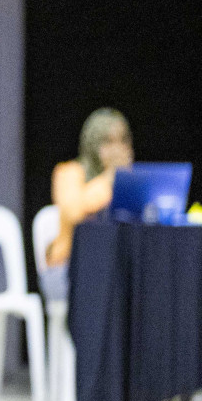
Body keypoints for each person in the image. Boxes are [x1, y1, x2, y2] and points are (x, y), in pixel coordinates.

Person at [40, 108, 133, 301]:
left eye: (123, 141)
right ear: (92, 143)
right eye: (108, 141)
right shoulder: (69, 172)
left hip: (113, 268)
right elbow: (74, 213)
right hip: (67, 268)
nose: (117, 149)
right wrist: (111, 177)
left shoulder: (131, 182)